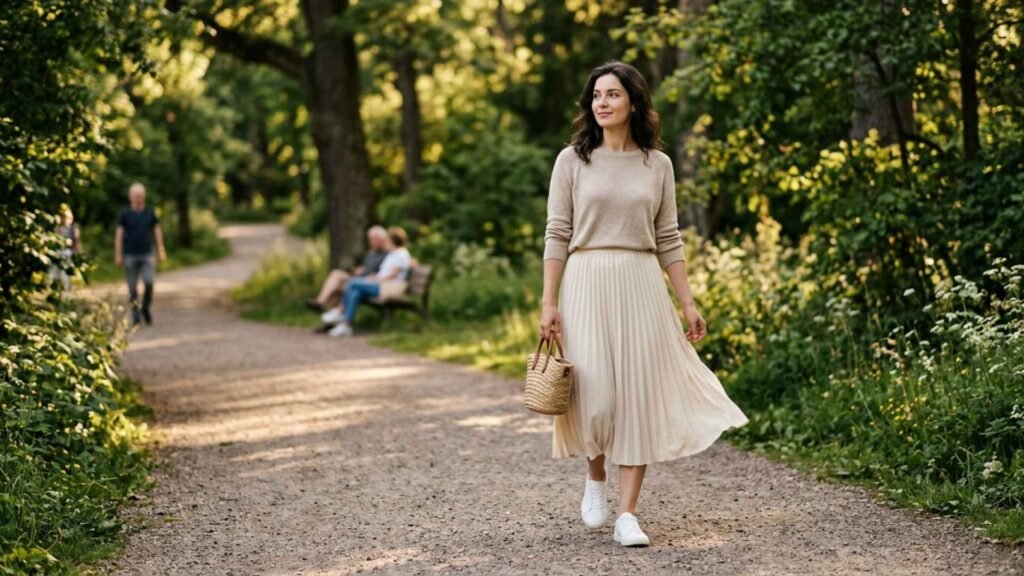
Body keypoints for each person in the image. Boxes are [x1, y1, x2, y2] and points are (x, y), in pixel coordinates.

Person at [539, 61, 749, 547]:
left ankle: (628, 514)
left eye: (612, 94)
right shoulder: (572, 160)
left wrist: (688, 303)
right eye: (596, 96)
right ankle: (595, 478)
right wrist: (548, 302)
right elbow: (557, 232)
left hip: (640, 281)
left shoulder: (658, 165)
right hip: (585, 279)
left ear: (633, 101)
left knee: (636, 395)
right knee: (594, 394)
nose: (602, 103)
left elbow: (668, 237)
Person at [321, 226, 412, 337]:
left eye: (387, 240)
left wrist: (376, 279)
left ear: (393, 241)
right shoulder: (393, 254)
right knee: (355, 292)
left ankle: (340, 311)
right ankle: (346, 325)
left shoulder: (401, 254)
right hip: (381, 284)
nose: (386, 242)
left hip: (387, 287)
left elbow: (392, 275)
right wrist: (375, 277)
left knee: (353, 282)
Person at [115, 182, 166, 326]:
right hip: (130, 254)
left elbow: (157, 230)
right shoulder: (125, 214)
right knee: (132, 287)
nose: (139, 198)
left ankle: (145, 307)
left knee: (149, 282)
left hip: (147, 254)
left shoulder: (150, 212)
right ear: (130, 197)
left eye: (141, 196)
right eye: (136, 196)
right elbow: (119, 234)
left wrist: (160, 249)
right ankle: (135, 313)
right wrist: (118, 254)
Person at [306, 226, 389, 312]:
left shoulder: (387, 254)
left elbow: (384, 272)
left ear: (381, 239)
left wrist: (371, 275)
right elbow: (367, 267)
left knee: (339, 287)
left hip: (367, 281)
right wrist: (359, 269)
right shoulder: (372, 252)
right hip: (359, 277)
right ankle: (322, 304)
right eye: (370, 239)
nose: (370, 242)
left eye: (372, 239)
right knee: (336, 274)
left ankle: (328, 313)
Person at [50, 205, 81, 291]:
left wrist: (77, 252)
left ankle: (66, 290)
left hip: (67, 252)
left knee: (65, 274)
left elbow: (76, 242)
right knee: (54, 273)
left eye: (67, 217)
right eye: (63, 217)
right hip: (57, 252)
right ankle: (56, 290)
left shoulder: (73, 228)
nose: (65, 219)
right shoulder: (57, 228)